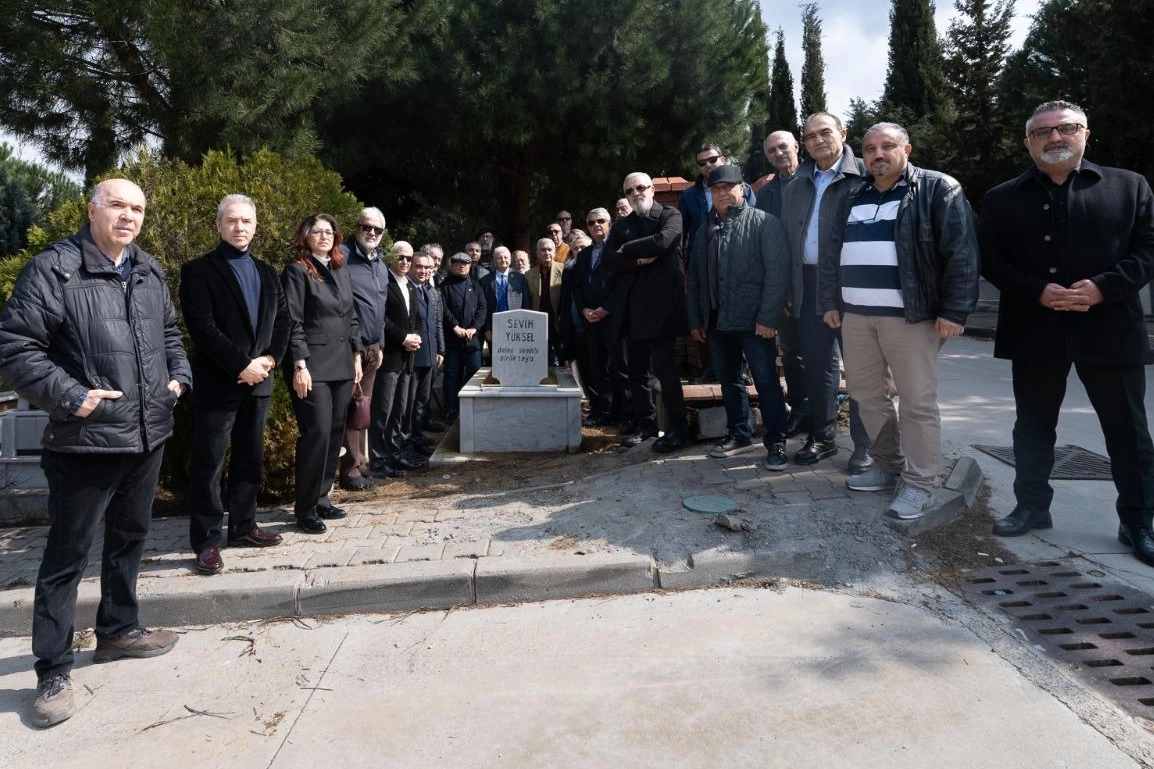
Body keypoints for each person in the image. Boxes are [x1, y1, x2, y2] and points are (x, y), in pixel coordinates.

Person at [0, 178, 191, 728]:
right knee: (67, 557)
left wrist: (178, 379)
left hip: (147, 434)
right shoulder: (54, 269)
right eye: (117, 206)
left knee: (130, 539)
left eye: (137, 208)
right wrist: (71, 396)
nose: (128, 216)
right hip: (86, 441)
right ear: (92, 210)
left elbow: (170, 334)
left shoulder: (149, 269)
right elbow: (16, 345)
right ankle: (53, 669)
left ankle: (118, 631)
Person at [980, 100, 1154, 566]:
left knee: (1128, 430)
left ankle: (1138, 521)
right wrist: (1037, 291)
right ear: (1028, 143)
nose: (1055, 138)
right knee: (1033, 426)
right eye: (1042, 132)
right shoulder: (1001, 197)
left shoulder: (1129, 186)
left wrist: (1102, 288)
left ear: (1085, 135)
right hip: (1035, 326)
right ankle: (1032, 507)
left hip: (1110, 326)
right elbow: (991, 260)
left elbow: (1147, 250)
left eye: (1066, 128)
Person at [821, 123, 979, 519]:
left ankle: (920, 482)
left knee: (916, 401)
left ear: (906, 149)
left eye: (887, 146)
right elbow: (832, 252)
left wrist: (955, 310)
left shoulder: (937, 188)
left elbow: (961, 253)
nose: (878, 154)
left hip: (911, 318)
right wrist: (830, 301)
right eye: (870, 148)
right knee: (866, 396)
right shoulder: (852, 195)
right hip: (856, 316)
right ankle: (888, 466)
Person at [180, 194, 291, 577]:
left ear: (255, 227)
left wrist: (270, 361)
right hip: (218, 382)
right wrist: (241, 365)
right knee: (210, 461)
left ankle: (243, 526)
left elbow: (283, 322)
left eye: (246, 221)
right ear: (218, 225)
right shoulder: (198, 271)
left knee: (249, 457)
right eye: (231, 220)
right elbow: (202, 327)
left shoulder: (268, 273)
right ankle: (207, 541)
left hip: (259, 381)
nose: (239, 227)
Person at [781, 112, 876, 472]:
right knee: (818, 366)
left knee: (862, 367)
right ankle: (822, 438)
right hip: (807, 286)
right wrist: (790, 289)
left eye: (825, 132)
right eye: (810, 136)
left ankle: (865, 445)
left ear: (843, 133)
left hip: (853, 284)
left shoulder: (865, 177)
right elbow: (788, 241)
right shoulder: (796, 185)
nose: (818, 140)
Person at [687, 165, 792, 470]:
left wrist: (768, 318)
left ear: (742, 188)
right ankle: (739, 434)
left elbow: (777, 274)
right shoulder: (703, 231)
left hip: (754, 323)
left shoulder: (764, 223)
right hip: (716, 322)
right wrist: (696, 320)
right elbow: (694, 279)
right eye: (716, 189)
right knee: (729, 382)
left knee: (766, 383)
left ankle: (776, 441)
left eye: (728, 187)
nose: (722, 193)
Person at [281, 214, 363, 535]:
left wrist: (356, 354)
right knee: (316, 432)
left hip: (342, 363)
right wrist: (299, 364)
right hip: (313, 366)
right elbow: (293, 320)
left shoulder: (340, 268)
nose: (325, 236)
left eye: (329, 232)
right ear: (306, 236)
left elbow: (351, 316)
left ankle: (322, 498)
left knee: (334, 431)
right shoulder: (297, 271)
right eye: (318, 231)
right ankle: (305, 508)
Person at [606, 171, 690, 452]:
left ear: (652, 189)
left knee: (665, 371)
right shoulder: (622, 225)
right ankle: (647, 426)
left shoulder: (670, 215)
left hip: (663, 309)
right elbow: (609, 260)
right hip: (632, 311)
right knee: (637, 373)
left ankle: (678, 428)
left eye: (641, 188)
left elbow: (664, 241)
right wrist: (638, 260)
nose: (636, 194)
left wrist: (626, 249)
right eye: (630, 191)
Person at [756, 130, 809, 439]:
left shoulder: (814, 180)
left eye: (782, 147)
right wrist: (781, 291)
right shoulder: (766, 194)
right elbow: (770, 247)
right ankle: (800, 409)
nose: (778, 153)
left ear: (797, 147)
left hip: (816, 283)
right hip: (785, 288)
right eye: (771, 150)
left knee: (822, 355)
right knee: (791, 353)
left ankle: (823, 412)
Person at [339, 207, 391, 489]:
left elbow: (380, 307)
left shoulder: (379, 263)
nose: (371, 233)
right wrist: (355, 350)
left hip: (373, 347)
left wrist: (379, 344)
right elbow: (345, 308)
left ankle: (361, 463)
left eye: (377, 229)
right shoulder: (342, 257)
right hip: (352, 348)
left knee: (363, 408)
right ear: (356, 227)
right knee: (351, 407)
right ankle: (349, 471)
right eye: (366, 227)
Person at [370, 241, 425, 472]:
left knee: (399, 410)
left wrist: (416, 337)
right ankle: (378, 458)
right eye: (400, 257)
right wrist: (403, 337)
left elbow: (416, 319)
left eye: (409, 258)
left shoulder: (410, 287)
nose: (405, 262)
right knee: (383, 410)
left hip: (407, 357)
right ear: (391, 257)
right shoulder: (384, 283)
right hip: (390, 356)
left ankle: (394, 452)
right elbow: (381, 318)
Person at [571, 207, 629, 425]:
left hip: (614, 319)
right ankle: (604, 411)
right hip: (591, 321)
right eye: (591, 222)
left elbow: (622, 284)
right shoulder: (584, 255)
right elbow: (577, 287)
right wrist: (584, 309)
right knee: (598, 369)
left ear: (609, 224)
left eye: (600, 221)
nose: (596, 225)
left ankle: (626, 414)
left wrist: (606, 308)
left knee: (620, 368)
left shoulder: (618, 250)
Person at [677, 143, 756, 255]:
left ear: (722, 159)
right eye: (702, 163)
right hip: (702, 256)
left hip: (740, 252)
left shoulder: (743, 189)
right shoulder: (688, 196)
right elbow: (681, 232)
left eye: (713, 160)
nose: (708, 165)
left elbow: (754, 219)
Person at [440, 251, 487, 423]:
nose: (462, 266)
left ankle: (472, 407)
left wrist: (474, 327)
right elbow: (443, 309)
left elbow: (482, 308)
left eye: (466, 264)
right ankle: (450, 409)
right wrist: (455, 327)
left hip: (472, 340)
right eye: (459, 263)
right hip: (453, 339)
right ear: (452, 265)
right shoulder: (444, 286)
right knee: (452, 375)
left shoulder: (476, 285)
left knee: (475, 372)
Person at [406, 251, 445, 447]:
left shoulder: (430, 291)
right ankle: (409, 438)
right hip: (413, 355)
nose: (423, 271)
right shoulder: (406, 289)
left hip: (430, 353)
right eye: (419, 266)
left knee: (423, 399)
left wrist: (440, 350)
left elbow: (437, 323)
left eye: (428, 267)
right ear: (411, 267)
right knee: (410, 401)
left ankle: (418, 435)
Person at [479, 245, 531, 344]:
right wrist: (486, 329)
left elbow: (526, 302)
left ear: (510, 260)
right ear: (494, 261)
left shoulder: (521, 278)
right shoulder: (485, 281)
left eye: (506, 257)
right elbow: (482, 307)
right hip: (494, 327)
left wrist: (526, 324)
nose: (503, 260)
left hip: (517, 326)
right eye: (499, 258)